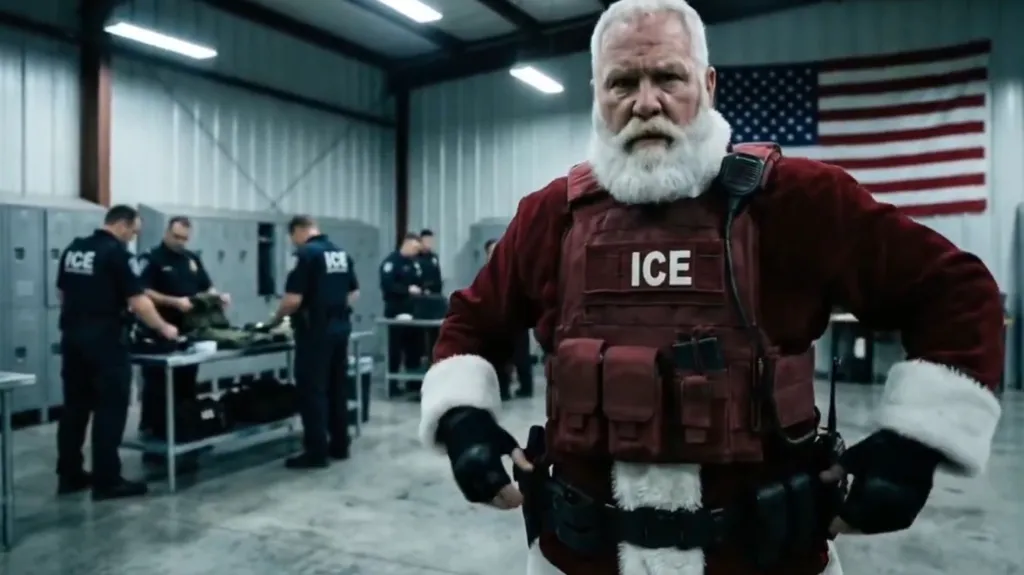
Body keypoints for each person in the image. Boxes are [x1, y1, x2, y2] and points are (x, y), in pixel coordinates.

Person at [416, 1, 1004, 575]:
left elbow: (956, 291)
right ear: (597, 94)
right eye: (622, 83)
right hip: (577, 558)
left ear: (709, 83)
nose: (647, 103)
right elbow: (472, 321)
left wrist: (915, 444)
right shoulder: (551, 217)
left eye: (668, 76)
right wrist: (463, 418)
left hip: (767, 557)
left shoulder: (797, 201)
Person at [56, 205, 179, 500]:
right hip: (106, 343)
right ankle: (107, 480)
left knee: (74, 409)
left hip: (73, 339)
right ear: (122, 225)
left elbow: (62, 292)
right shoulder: (117, 254)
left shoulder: (74, 249)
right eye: (133, 231)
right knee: (109, 409)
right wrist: (165, 328)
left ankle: (70, 474)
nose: (133, 237)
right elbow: (138, 301)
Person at [136, 216, 231, 467]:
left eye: (184, 238)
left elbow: (206, 286)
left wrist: (218, 297)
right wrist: (173, 301)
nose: (179, 242)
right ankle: (154, 436)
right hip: (158, 330)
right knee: (158, 386)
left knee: (186, 383)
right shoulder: (152, 259)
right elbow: (141, 290)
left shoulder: (191, 259)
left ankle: (185, 429)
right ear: (167, 232)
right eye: (176, 236)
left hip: (189, 330)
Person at [271, 215, 359, 468]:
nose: (293, 243)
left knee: (313, 392)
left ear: (298, 232)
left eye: (292, 238)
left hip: (314, 334)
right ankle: (340, 445)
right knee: (337, 389)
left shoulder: (306, 255)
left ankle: (316, 452)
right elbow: (354, 292)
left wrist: (276, 320)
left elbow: (292, 300)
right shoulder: (341, 254)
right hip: (340, 330)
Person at [485, 238, 534, 400]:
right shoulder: (487, 272)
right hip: (497, 319)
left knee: (521, 356)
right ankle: (503, 390)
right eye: (492, 251)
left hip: (517, 317)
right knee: (500, 357)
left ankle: (526, 387)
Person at [381, 232, 425, 394]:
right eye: (414, 247)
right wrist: (407, 290)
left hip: (413, 312)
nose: (416, 251)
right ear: (406, 244)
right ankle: (392, 386)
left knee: (414, 349)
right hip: (396, 311)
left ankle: (412, 384)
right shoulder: (391, 263)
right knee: (395, 350)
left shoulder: (415, 263)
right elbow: (388, 286)